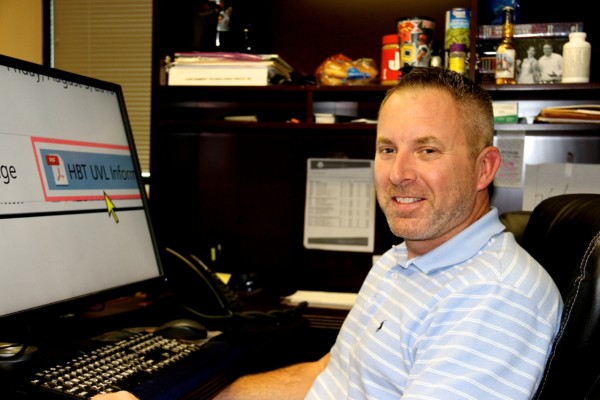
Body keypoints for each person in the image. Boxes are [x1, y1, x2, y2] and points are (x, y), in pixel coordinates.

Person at [91, 68, 564, 400]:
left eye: (427, 150)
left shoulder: (494, 296)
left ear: (484, 168)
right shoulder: (402, 262)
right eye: (387, 148)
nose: (398, 173)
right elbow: (326, 376)